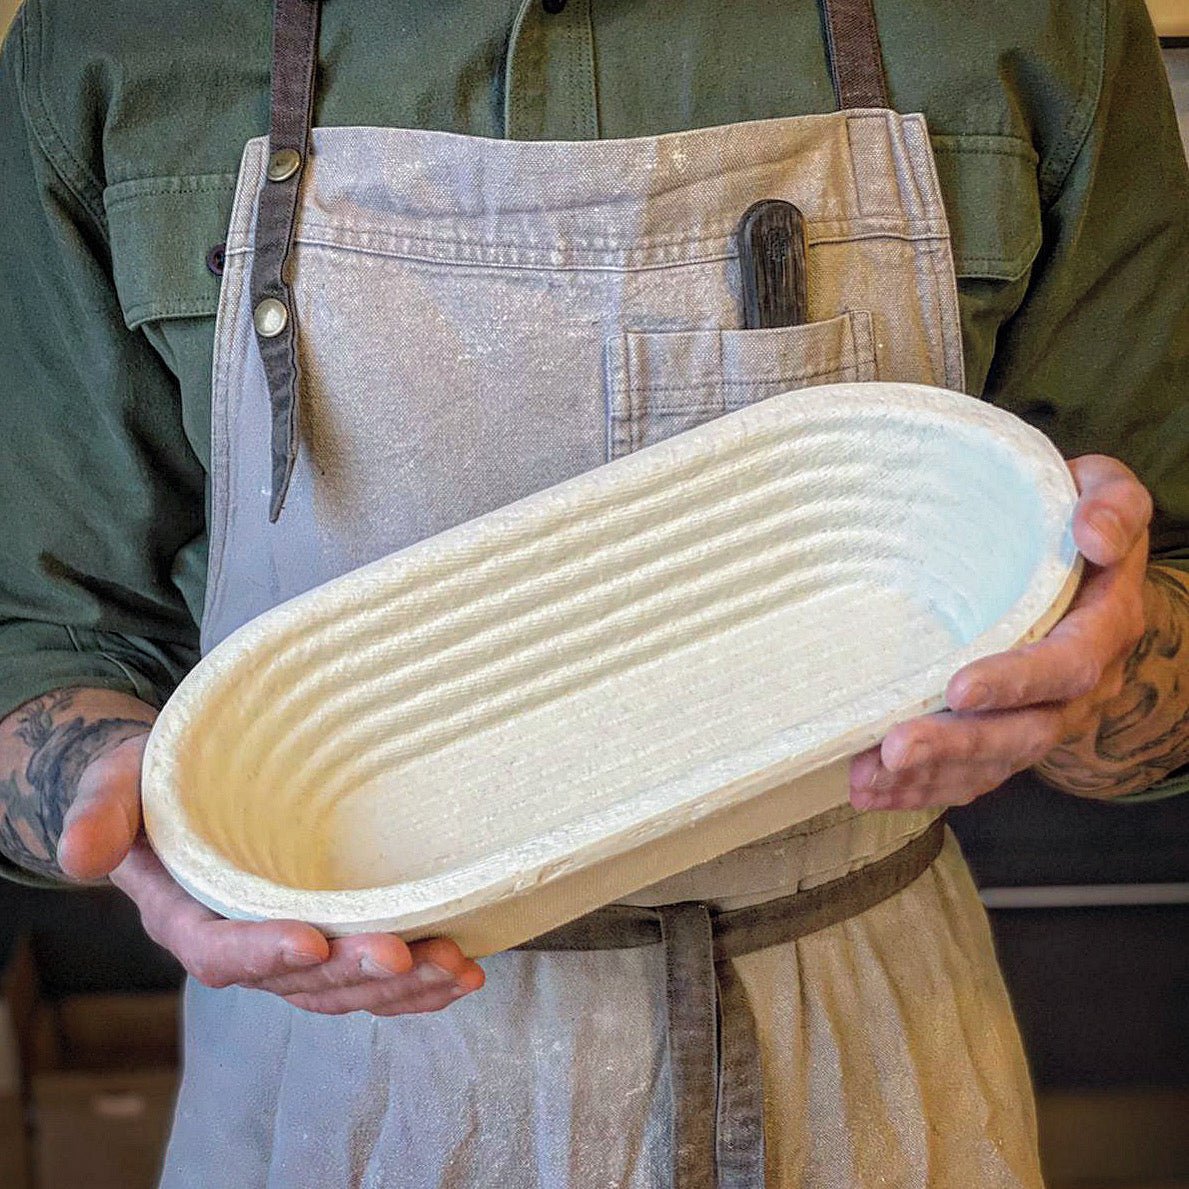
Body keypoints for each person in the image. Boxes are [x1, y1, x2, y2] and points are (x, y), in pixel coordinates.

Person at [0, 0, 1186, 1185]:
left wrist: (1101, 668)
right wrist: (112, 802)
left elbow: (1158, 590)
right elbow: (40, 637)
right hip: (340, 1083)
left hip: (868, 1061)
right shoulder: (114, 37)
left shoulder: (1039, 22)